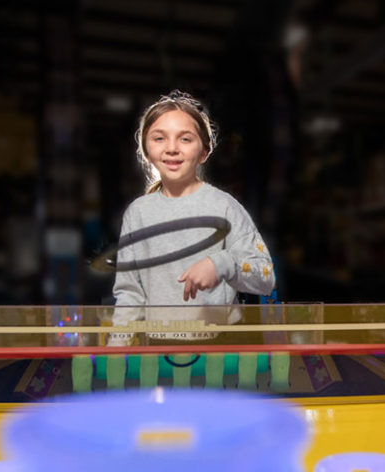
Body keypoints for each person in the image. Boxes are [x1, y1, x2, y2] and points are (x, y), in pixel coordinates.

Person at [110, 90, 275, 340]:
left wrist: (222, 264)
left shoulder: (225, 207)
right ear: (145, 149)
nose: (172, 148)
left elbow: (265, 276)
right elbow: (129, 292)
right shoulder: (138, 213)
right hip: (157, 347)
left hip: (221, 345)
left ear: (203, 152)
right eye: (159, 138)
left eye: (185, 139)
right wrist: (116, 349)